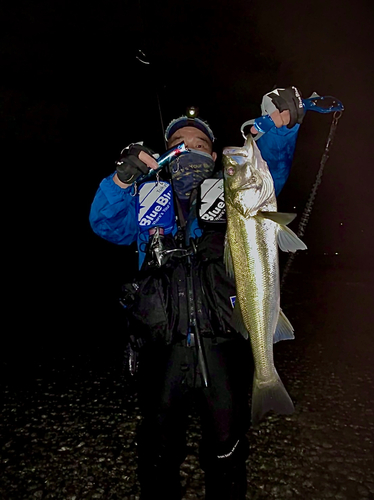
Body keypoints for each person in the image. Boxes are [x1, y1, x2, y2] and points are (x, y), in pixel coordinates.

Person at [89, 87, 305, 500]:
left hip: (223, 342)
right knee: (157, 447)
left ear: (212, 155)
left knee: (226, 448)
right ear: (164, 155)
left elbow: (267, 170)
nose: (189, 149)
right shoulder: (146, 199)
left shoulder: (234, 192)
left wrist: (277, 128)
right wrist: (122, 178)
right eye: (177, 144)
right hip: (161, 349)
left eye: (201, 143)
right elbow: (103, 222)